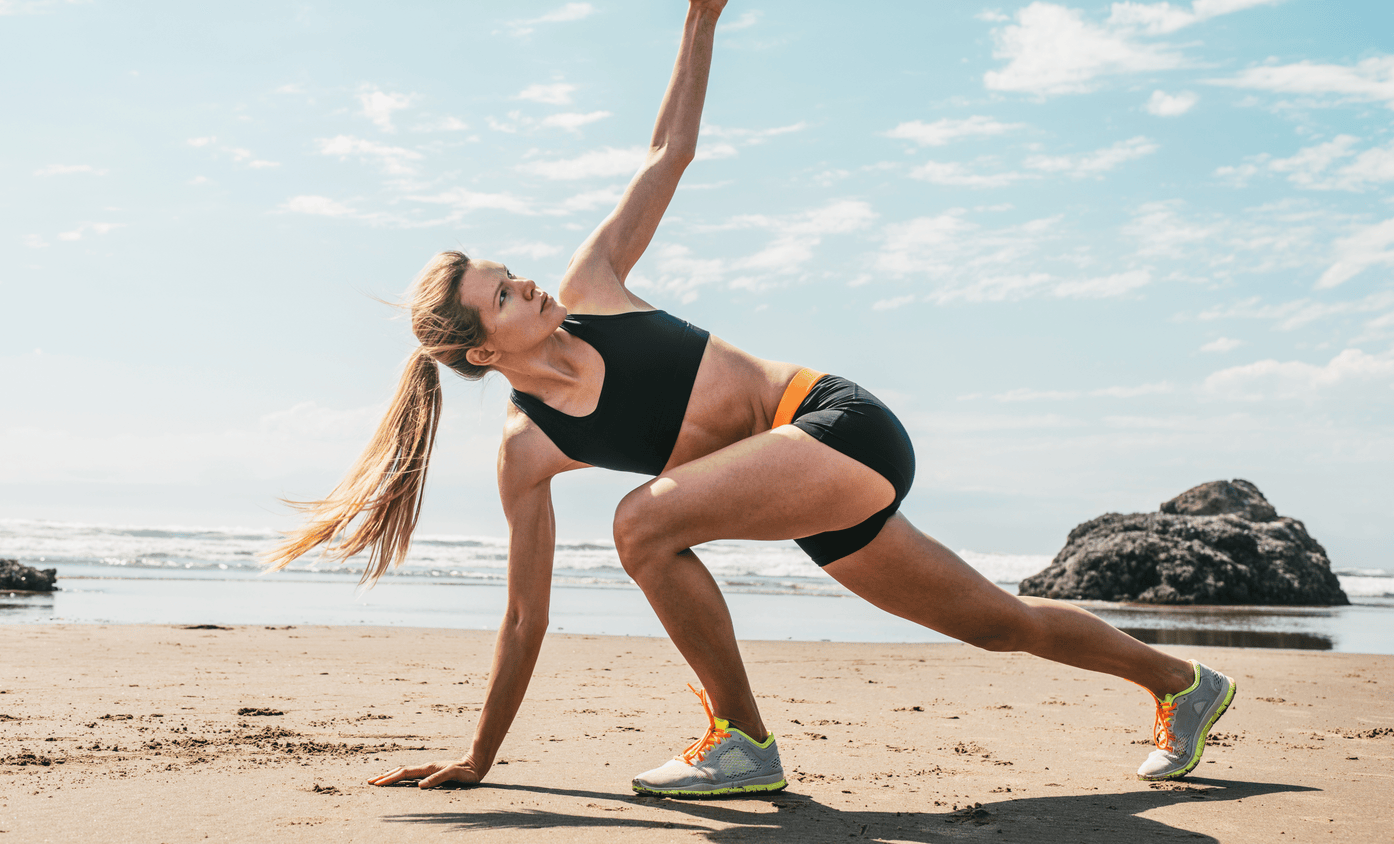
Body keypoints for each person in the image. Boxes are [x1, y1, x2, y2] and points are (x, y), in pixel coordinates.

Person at [269, 0, 1235, 797]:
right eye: (504, 293)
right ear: (483, 349)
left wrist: (701, 20)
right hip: (807, 498)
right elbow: (526, 617)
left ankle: (742, 743)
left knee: (641, 523)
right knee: (997, 625)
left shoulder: (597, 285)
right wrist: (481, 758)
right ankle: (1183, 685)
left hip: (834, 423)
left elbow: (668, 155)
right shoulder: (527, 451)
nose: (526, 283)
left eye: (513, 271)